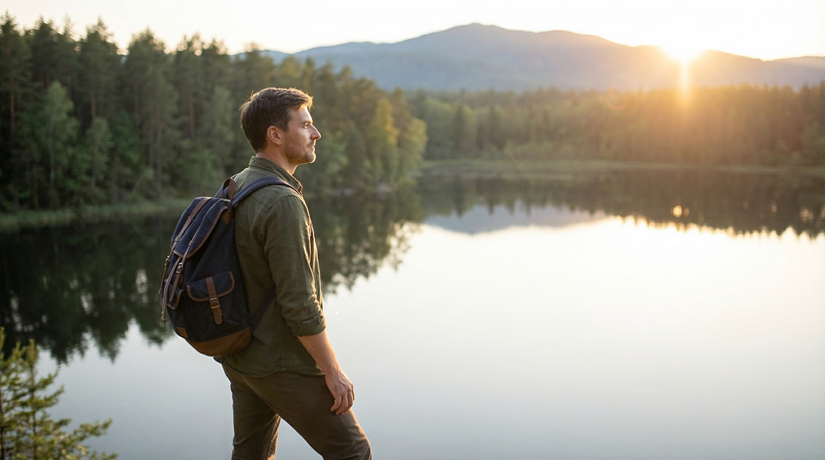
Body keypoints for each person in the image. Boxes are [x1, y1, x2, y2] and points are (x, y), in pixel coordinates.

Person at [216, 87, 371, 460]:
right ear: (276, 134)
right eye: (306, 125)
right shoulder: (282, 201)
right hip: (279, 362)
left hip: (241, 359)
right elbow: (300, 306)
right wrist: (332, 372)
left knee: (251, 455)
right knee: (352, 451)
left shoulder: (237, 184)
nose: (316, 133)